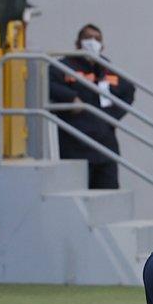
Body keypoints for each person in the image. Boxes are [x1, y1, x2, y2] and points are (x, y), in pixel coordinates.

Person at [49, 24, 136, 189]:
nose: (92, 42)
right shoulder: (64, 66)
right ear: (77, 43)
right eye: (88, 38)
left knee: (108, 195)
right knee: (78, 194)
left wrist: (112, 116)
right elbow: (47, 83)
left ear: (102, 46)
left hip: (105, 146)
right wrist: (70, 98)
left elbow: (128, 91)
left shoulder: (107, 68)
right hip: (75, 146)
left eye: (97, 39)